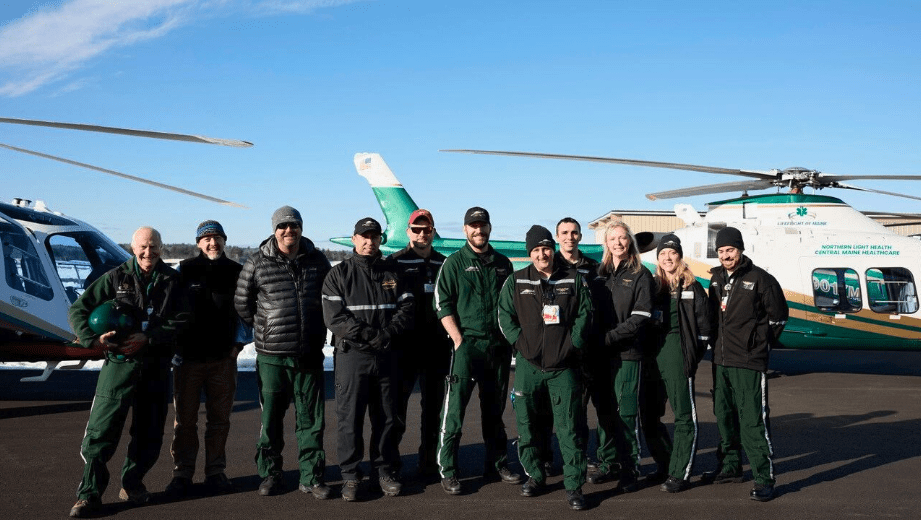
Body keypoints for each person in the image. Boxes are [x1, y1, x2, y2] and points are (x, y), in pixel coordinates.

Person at [68, 227, 186, 518]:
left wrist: (150, 337)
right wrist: (93, 340)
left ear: (162, 248)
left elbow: (184, 318)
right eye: (143, 247)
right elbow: (78, 310)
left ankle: (132, 484)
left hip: (155, 366)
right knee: (101, 431)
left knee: (150, 433)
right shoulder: (115, 277)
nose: (148, 252)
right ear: (133, 248)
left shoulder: (173, 281)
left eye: (154, 246)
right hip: (119, 365)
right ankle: (89, 495)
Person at [234, 206, 332, 499]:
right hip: (272, 357)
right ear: (274, 230)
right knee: (271, 420)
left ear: (301, 228)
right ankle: (270, 474)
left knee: (311, 421)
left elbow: (330, 298)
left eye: (294, 225)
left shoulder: (318, 260)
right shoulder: (257, 262)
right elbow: (242, 303)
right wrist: (265, 327)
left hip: (309, 353)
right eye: (283, 226)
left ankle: (311, 476)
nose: (289, 231)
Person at [498, 225, 591, 510]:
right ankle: (535, 476)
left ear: (553, 250)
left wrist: (572, 344)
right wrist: (521, 344)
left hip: (564, 366)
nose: (542, 254)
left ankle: (574, 486)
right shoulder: (516, 281)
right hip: (529, 366)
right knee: (528, 426)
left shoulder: (573, 279)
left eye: (546, 248)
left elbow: (585, 314)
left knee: (569, 427)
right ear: (530, 253)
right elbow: (504, 316)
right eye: (536, 250)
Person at [322, 217, 415, 501]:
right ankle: (351, 476)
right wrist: (369, 335)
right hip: (353, 356)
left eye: (374, 236)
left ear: (380, 240)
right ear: (354, 239)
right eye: (364, 236)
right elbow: (335, 317)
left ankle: (384, 471)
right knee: (349, 418)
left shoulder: (394, 272)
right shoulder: (339, 274)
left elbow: (407, 308)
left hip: (387, 355)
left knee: (386, 417)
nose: (369, 241)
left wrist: (387, 334)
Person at [434, 206, 522, 495]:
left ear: (489, 228)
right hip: (466, 347)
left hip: (497, 349)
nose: (478, 230)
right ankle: (448, 470)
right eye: (473, 225)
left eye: (482, 225)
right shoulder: (454, 263)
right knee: (454, 411)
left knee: (494, 411)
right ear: (465, 229)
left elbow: (512, 305)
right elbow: (442, 304)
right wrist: (458, 340)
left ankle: (497, 464)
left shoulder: (503, 264)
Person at [705, 227, 788, 502]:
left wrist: (758, 345)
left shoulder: (761, 279)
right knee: (724, 416)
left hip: (749, 362)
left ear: (740, 249)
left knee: (753, 420)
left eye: (730, 250)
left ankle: (764, 478)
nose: (726, 255)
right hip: (721, 361)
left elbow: (779, 317)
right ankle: (730, 466)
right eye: (721, 251)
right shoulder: (716, 279)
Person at [166, 220, 248, 497]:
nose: (213, 243)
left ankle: (215, 471)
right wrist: (173, 346)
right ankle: (182, 472)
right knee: (185, 420)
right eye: (207, 239)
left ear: (225, 240)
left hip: (223, 359)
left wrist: (238, 345)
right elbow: (170, 309)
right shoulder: (185, 270)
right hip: (188, 360)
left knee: (219, 419)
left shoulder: (236, 271)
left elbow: (246, 311)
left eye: (217, 238)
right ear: (198, 243)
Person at [588, 221, 653, 492]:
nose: (617, 243)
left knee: (625, 412)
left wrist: (610, 337)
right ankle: (608, 462)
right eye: (612, 238)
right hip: (600, 355)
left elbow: (641, 315)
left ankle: (630, 467)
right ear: (606, 243)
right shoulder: (598, 274)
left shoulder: (641, 275)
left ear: (630, 242)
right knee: (604, 411)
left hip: (627, 353)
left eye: (622, 238)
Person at [387, 209, 452, 481]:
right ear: (408, 232)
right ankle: (390, 466)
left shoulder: (444, 263)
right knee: (395, 410)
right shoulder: (394, 262)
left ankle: (428, 463)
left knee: (434, 409)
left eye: (427, 230)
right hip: (403, 348)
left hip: (436, 348)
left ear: (433, 232)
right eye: (417, 229)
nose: (422, 234)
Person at [644, 234, 712, 493]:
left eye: (672, 253)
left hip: (677, 354)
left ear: (680, 257)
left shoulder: (692, 287)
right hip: (652, 356)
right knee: (648, 415)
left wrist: (691, 357)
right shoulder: (652, 286)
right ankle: (665, 463)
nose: (667, 257)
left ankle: (680, 472)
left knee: (683, 415)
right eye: (663, 254)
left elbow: (705, 328)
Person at [553, 217, 604, 472]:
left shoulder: (594, 268)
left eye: (574, 233)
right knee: (563, 409)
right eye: (564, 233)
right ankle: (554, 456)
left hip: (591, 348)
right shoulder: (550, 266)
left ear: (580, 236)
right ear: (557, 237)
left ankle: (585, 456)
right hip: (561, 348)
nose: (569, 237)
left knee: (587, 406)